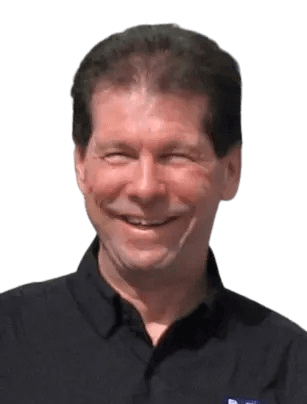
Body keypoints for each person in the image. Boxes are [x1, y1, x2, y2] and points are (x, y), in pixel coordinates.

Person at [0, 23, 306, 404]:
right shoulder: (8, 342)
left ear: (231, 171)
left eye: (176, 156)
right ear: (80, 166)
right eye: (119, 155)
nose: (146, 188)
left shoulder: (291, 365)